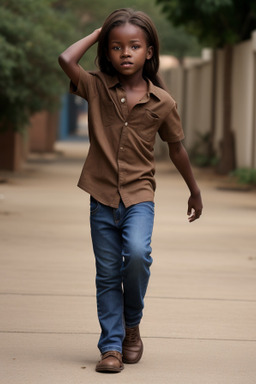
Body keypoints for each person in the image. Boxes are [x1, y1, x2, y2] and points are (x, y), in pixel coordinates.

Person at [58, 8, 203, 374]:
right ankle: (111, 347)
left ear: (149, 52)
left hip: (139, 196)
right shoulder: (96, 86)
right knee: (107, 273)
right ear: (107, 52)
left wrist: (194, 190)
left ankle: (132, 324)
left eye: (134, 46)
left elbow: (177, 149)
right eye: (116, 46)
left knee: (138, 255)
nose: (125, 53)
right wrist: (97, 31)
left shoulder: (163, 102)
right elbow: (65, 59)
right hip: (101, 195)